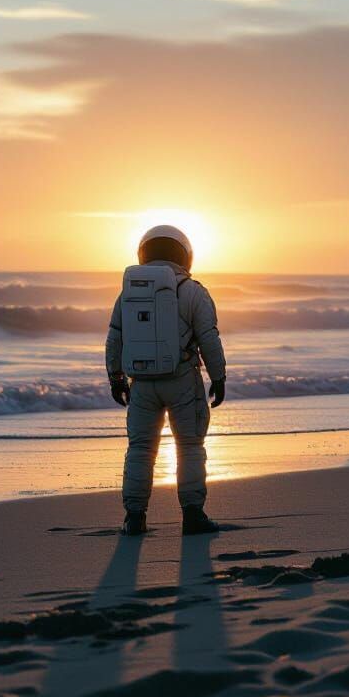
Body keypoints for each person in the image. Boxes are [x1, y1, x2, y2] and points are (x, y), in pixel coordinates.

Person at [105, 224, 227, 536]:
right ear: (184, 255)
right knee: (189, 445)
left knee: (141, 447)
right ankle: (192, 515)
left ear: (144, 253)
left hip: (142, 383)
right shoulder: (193, 291)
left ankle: (134, 517)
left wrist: (115, 377)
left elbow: (115, 337)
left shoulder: (128, 293)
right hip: (183, 378)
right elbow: (208, 337)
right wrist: (218, 376)